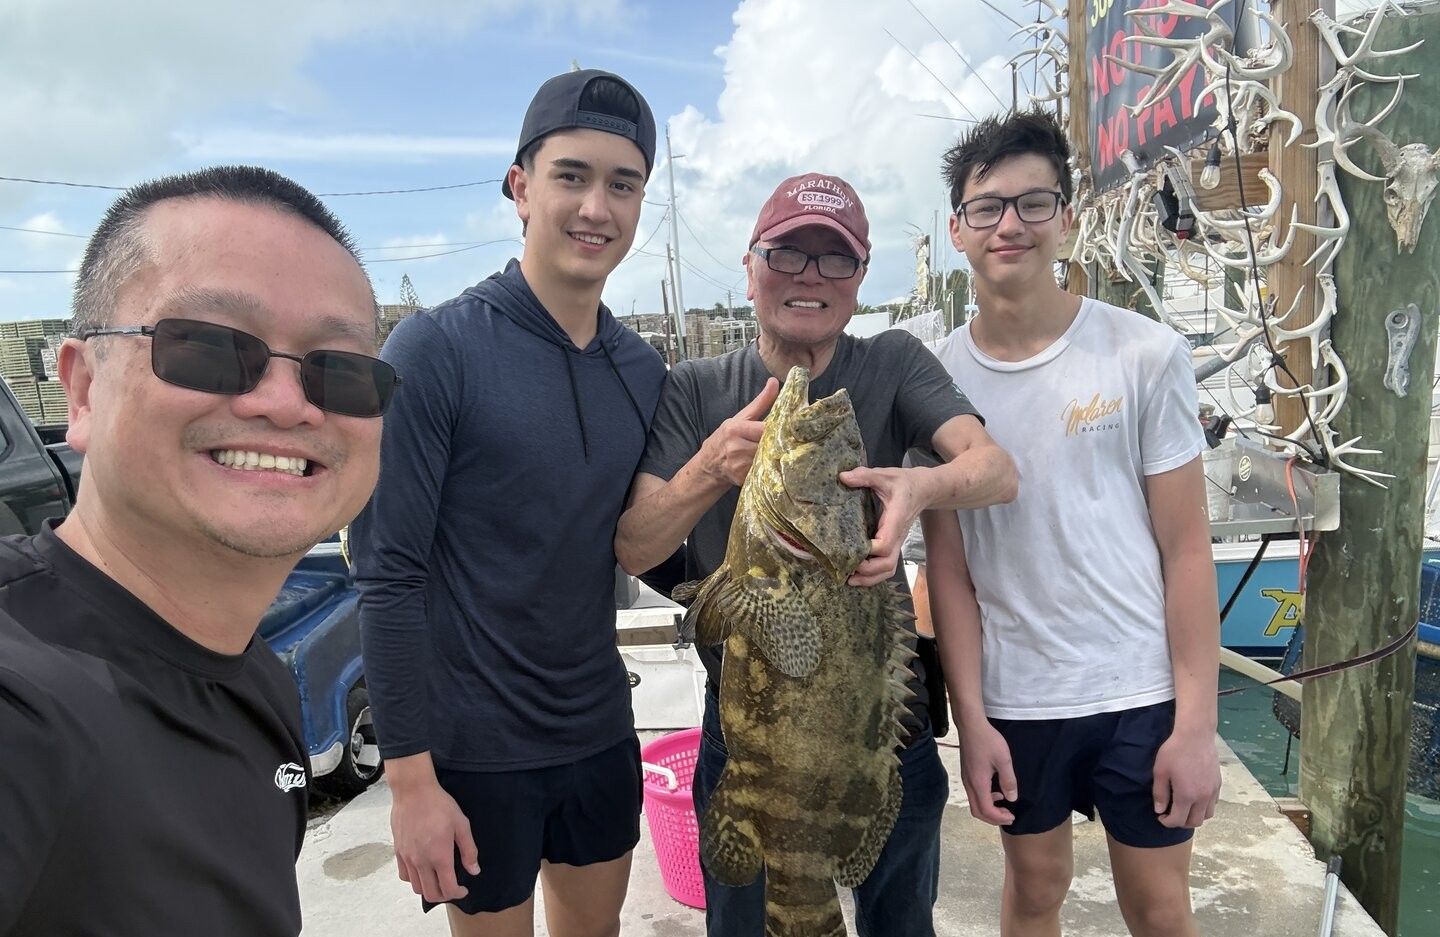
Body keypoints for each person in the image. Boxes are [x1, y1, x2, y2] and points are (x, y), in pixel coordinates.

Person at [614, 172, 1018, 936]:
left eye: (834, 260)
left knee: (901, 926)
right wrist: (707, 470)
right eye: (788, 253)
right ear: (750, 263)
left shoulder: (894, 362)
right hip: (751, 730)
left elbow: (994, 469)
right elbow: (636, 544)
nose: (809, 276)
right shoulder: (694, 387)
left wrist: (921, 488)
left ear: (861, 279)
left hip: (875, 723)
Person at [0, 165, 392, 937]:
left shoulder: (257, 678)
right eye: (210, 347)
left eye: (338, 370)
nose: (286, 401)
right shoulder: (24, 711)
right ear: (82, 391)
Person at [351, 69, 667, 937]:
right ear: (520, 188)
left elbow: (656, 544)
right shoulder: (436, 347)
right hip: (473, 753)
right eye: (571, 175)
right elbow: (388, 575)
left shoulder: (642, 371)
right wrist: (409, 782)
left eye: (623, 183)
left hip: (601, 729)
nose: (596, 206)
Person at [924, 109, 1222, 937]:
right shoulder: (935, 378)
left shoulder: (1145, 353)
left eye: (1033, 202)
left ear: (1069, 215)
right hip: (1019, 694)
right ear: (958, 228)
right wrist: (973, 719)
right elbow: (947, 567)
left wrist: (1196, 725)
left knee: (1160, 907)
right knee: (1035, 885)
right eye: (987, 207)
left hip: (1140, 686)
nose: (1010, 224)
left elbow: (1187, 547)